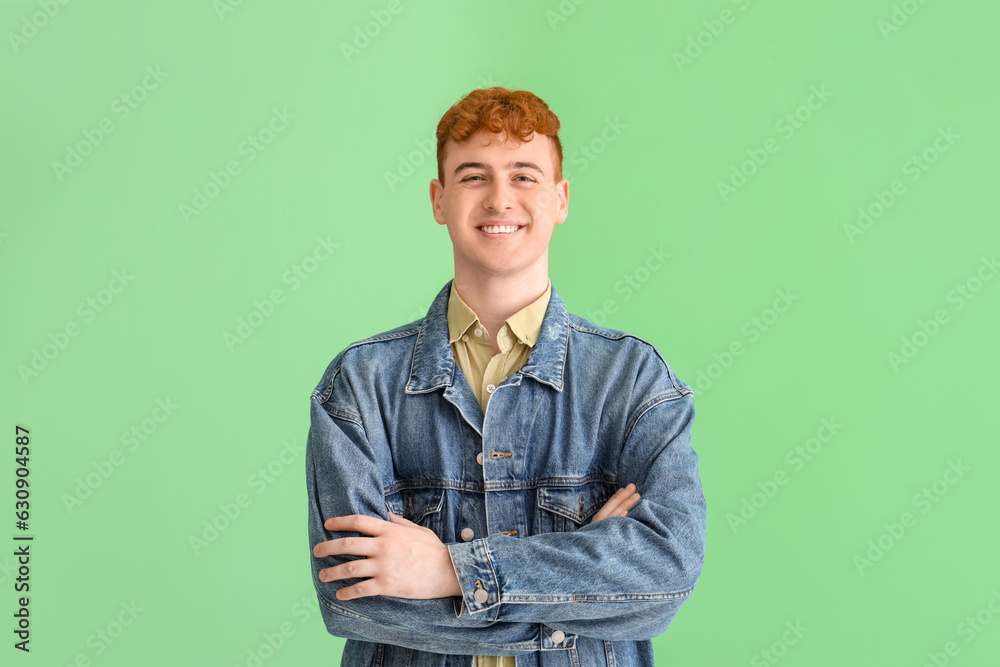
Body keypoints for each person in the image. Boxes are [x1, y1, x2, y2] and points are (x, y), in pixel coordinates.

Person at [306, 87, 707, 666]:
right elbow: (354, 603)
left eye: (524, 176)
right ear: (438, 199)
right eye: (473, 176)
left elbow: (665, 577)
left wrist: (449, 570)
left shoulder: (634, 381)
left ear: (561, 198)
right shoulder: (360, 385)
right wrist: (578, 590)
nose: (500, 199)